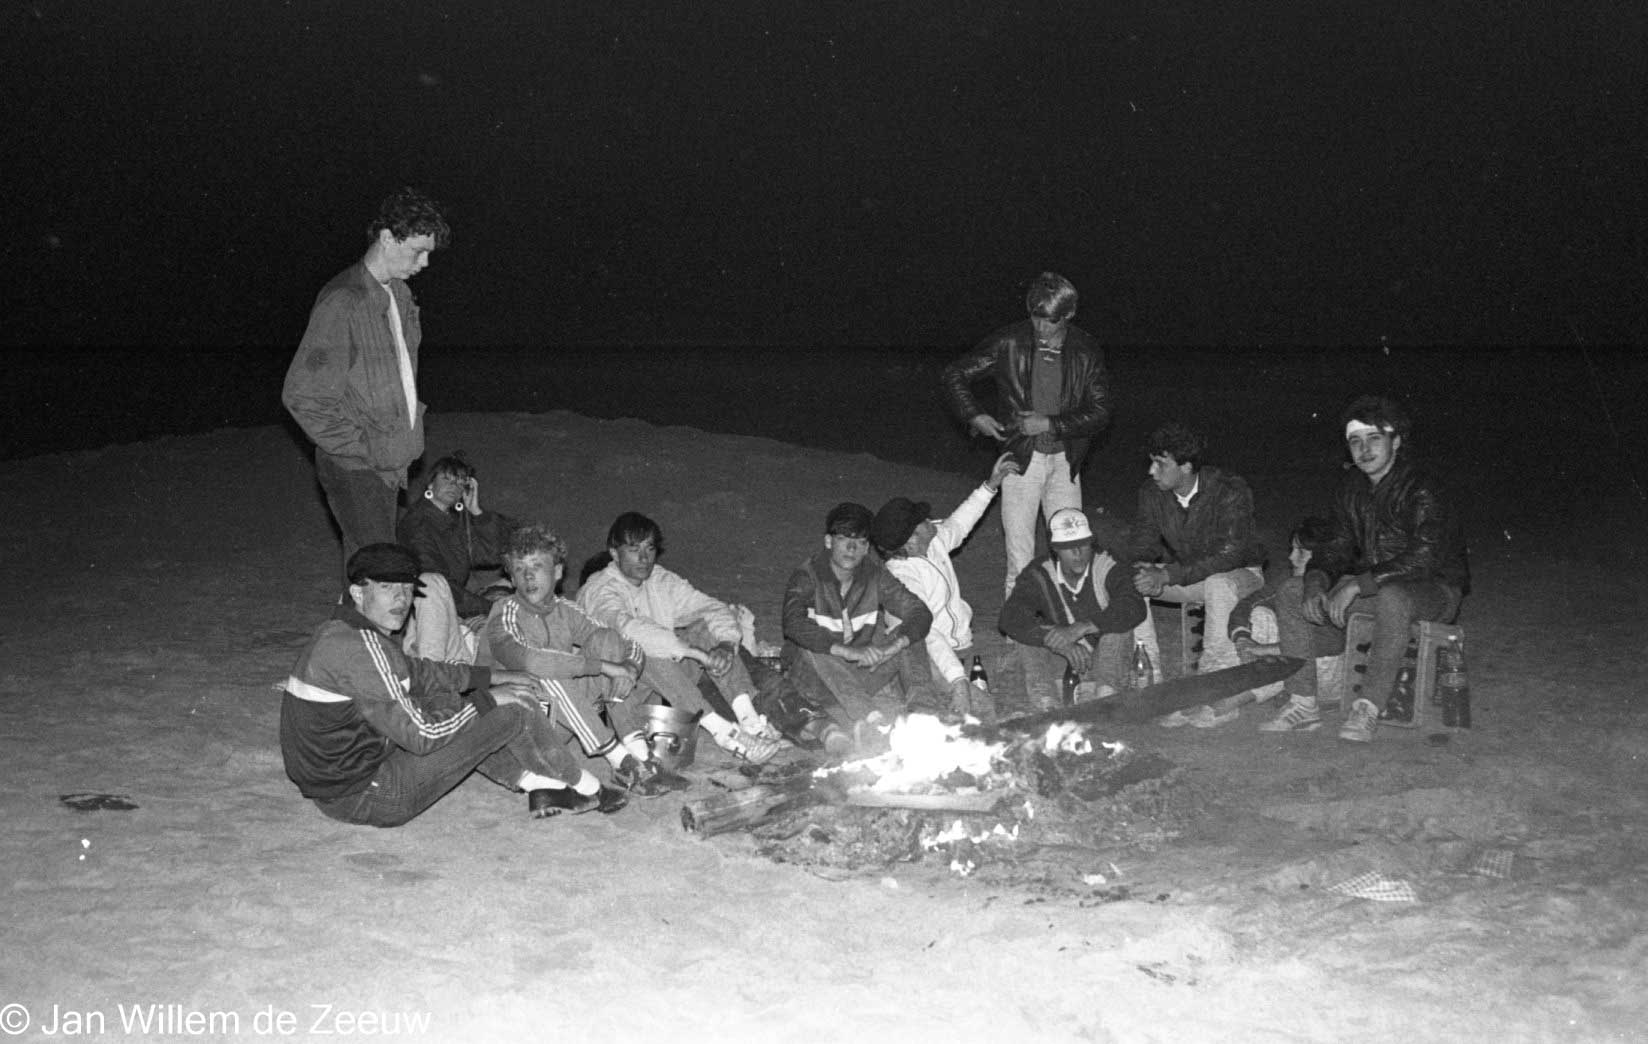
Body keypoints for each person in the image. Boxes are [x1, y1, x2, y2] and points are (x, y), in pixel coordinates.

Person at [279, 543, 625, 826]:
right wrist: (490, 699)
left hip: (338, 786)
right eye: (386, 588)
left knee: (446, 698)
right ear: (358, 592)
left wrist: (492, 677)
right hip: (372, 794)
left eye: (406, 589)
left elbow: (420, 673)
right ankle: (589, 788)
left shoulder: (340, 632)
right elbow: (423, 736)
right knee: (513, 709)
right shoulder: (361, 650)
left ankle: (539, 784)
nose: (401, 599)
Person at [1260, 396, 1470, 742]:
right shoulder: (1352, 488)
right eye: (1355, 441)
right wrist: (1316, 581)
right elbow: (1335, 546)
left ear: (1396, 441)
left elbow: (1425, 556)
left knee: (1393, 597)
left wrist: (1358, 584)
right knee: (1291, 591)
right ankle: (1303, 703)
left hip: (1434, 590)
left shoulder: (1422, 486)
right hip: (1380, 588)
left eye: (1374, 438)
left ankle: (1368, 707)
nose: (1364, 449)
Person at [283, 187, 451, 577]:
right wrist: (364, 449)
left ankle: (351, 619)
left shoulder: (399, 296)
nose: (425, 262)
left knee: (364, 570)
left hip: (388, 465)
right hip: (358, 468)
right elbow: (303, 396)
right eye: (418, 251)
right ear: (388, 238)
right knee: (385, 571)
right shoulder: (344, 301)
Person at [486, 522, 690, 796]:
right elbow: (532, 663)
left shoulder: (565, 610)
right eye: (519, 569)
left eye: (536, 566)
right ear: (511, 578)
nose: (528, 576)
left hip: (559, 722)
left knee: (607, 639)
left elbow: (626, 643)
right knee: (549, 672)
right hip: (520, 728)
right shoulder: (504, 613)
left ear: (558, 571)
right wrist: (604, 667)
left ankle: (640, 754)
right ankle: (620, 759)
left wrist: (629, 667)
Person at [940, 272, 1113, 596]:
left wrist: (1049, 424)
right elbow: (955, 374)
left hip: (1066, 463)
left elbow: (1101, 411)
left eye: (1050, 321)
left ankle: (1070, 618)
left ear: (1069, 314)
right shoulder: (1010, 341)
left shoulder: (1085, 349)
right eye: (1035, 318)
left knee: (1072, 552)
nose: (1040, 327)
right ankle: (1017, 623)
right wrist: (974, 415)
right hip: (1020, 460)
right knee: (1020, 557)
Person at [577, 512, 784, 764]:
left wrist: (726, 644)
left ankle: (750, 722)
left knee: (705, 629)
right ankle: (724, 733)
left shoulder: (660, 580)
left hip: (667, 688)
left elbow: (711, 607)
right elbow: (630, 630)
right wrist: (696, 653)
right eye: (633, 549)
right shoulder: (598, 589)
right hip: (616, 698)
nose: (644, 558)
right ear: (614, 552)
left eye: (649, 548)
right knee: (644, 649)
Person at [870, 452, 1019, 719]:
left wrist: (990, 485)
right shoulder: (900, 579)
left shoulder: (932, 543)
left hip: (961, 647)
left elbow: (959, 524)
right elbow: (926, 633)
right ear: (911, 540)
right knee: (983, 709)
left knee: (1011, 670)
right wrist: (958, 681)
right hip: (929, 656)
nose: (930, 519)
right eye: (922, 520)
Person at [781, 502, 940, 731]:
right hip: (814, 682)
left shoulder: (875, 575)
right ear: (828, 542)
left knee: (909, 634)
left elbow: (919, 611)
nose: (851, 548)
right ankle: (872, 720)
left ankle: (924, 716)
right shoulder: (808, 575)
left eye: (861, 542)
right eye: (844, 539)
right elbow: (792, 623)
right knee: (812, 643)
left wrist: (892, 648)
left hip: (860, 676)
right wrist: (847, 651)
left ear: (867, 549)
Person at [1127, 423, 1268, 677]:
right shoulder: (1152, 493)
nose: (1151, 471)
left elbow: (1229, 555)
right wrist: (1143, 567)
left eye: (1160, 464)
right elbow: (1143, 541)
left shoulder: (1229, 490)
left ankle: (1214, 674)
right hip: (1189, 576)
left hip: (1240, 575)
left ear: (1186, 466)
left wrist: (1168, 575)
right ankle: (1147, 670)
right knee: (1133, 578)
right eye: (1151, 462)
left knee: (1217, 584)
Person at [999, 508, 1147, 711]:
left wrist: (1084, 626)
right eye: (1068, 548)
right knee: (1027, 636)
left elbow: (1133, 604)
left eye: (1083, 545)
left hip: (1104, 661)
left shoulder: (1107, 565)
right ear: (1055, 550)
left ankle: (1106, 697)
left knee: (1119, 628)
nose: (1078, 554)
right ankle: (1046, 704)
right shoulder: (1040, 573)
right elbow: (1009, 617)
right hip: (1062, 664)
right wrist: (1059, 641)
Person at [397, 454, 516, 662]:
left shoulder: (453, 518)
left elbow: (493, 554)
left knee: (510, 584)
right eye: (447, 479)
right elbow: (438, 586)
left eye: (461, 482)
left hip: (455, 602)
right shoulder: (418, 524)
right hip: (431, 611)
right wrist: (491, 608)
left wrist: (477, 512)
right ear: (430, 483)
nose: (454, 486)